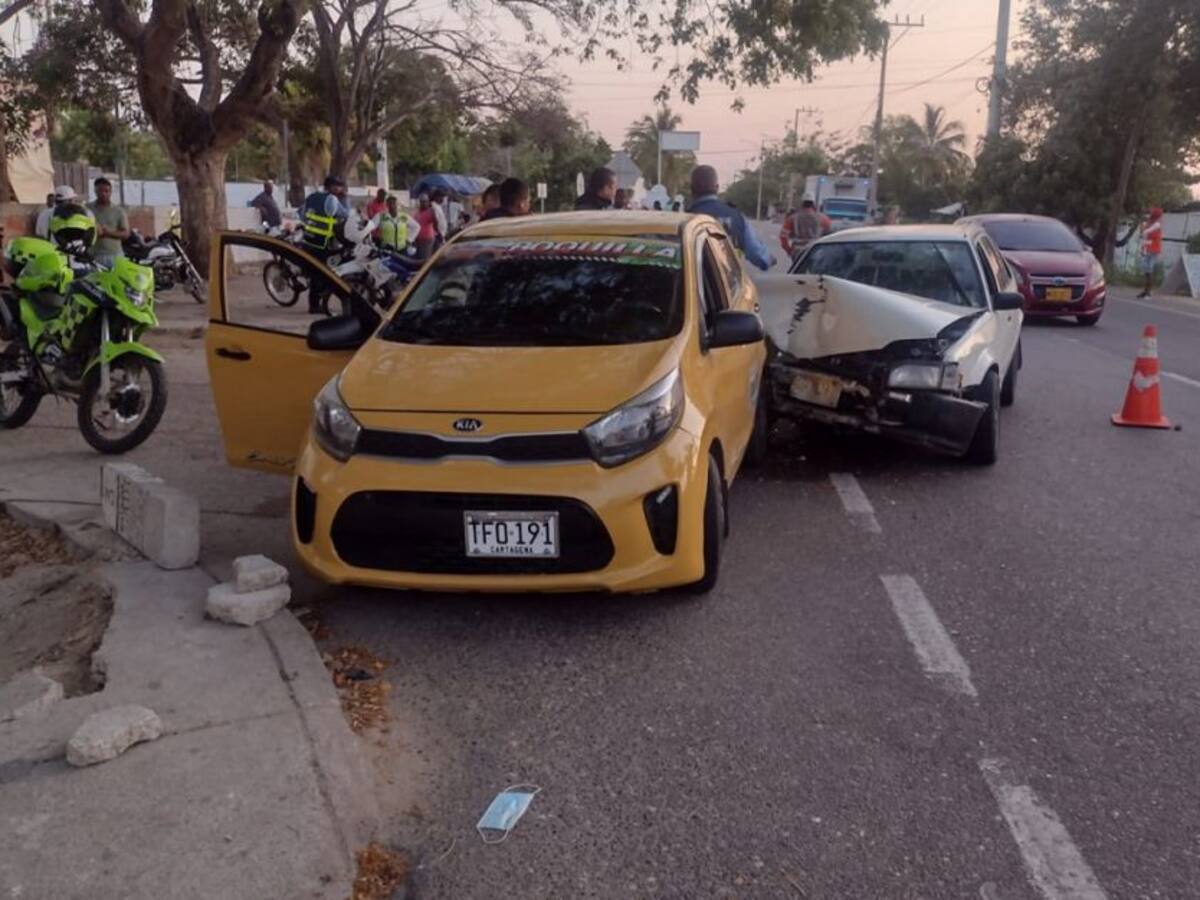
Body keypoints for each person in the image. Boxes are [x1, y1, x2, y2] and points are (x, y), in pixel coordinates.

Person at [685, 165, 774, 271]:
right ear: (717, 188)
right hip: (730, 283)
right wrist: (768, 260)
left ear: (691, 188)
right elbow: (755, 253)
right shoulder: (736, 216)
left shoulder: (684, 219)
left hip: (693, 284)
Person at [300, 174, 350, 313]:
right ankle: (314, 306)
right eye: (337, 186)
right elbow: (345, 214)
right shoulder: (332, 200)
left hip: (308, 239)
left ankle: (315, 302)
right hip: (323, 242)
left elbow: (302, 214)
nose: (339, 188)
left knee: (315, 272)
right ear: (330, 187)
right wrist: (345, 198)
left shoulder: (312, 197)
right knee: (320, 274)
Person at [88, 177, 130, 267]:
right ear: (95, 191)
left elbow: (125, 234)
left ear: (110, 192)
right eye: (100, 191)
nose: (103, 194)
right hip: (93, 255)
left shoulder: (118, 211)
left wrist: (108, 233)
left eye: (106, 191)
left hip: (114, 255)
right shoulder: (87, 209)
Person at [1138, 207, 1164, 298]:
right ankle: (1146, 291)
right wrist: (1143, 249)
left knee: (1149, 269)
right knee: (1146, 270)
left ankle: (1148, 292)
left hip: (1154, 249)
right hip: (1148, 248)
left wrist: (1144, 227)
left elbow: (1145, 233)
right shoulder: (1150, 223)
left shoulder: (1156, 225)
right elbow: (1144, 235)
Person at [789, 197, 823, 262]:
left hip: (797, 248)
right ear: (813, 204)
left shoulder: (793, 218)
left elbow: (784, 235)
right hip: (813, 248)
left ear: (802, 204)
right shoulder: (821, 218)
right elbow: (828, 231)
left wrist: (788, 250)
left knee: (797, 269)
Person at [413, 194, 438, 260]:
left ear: (428, 202)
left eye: (425, 201)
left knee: (425, 259)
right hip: (418, 239)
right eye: (421, 201)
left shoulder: (430, 211)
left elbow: (435, 223)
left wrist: (434, 215)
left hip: (427, 240)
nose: (423, 203)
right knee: (419, 258)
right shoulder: (417, 212)